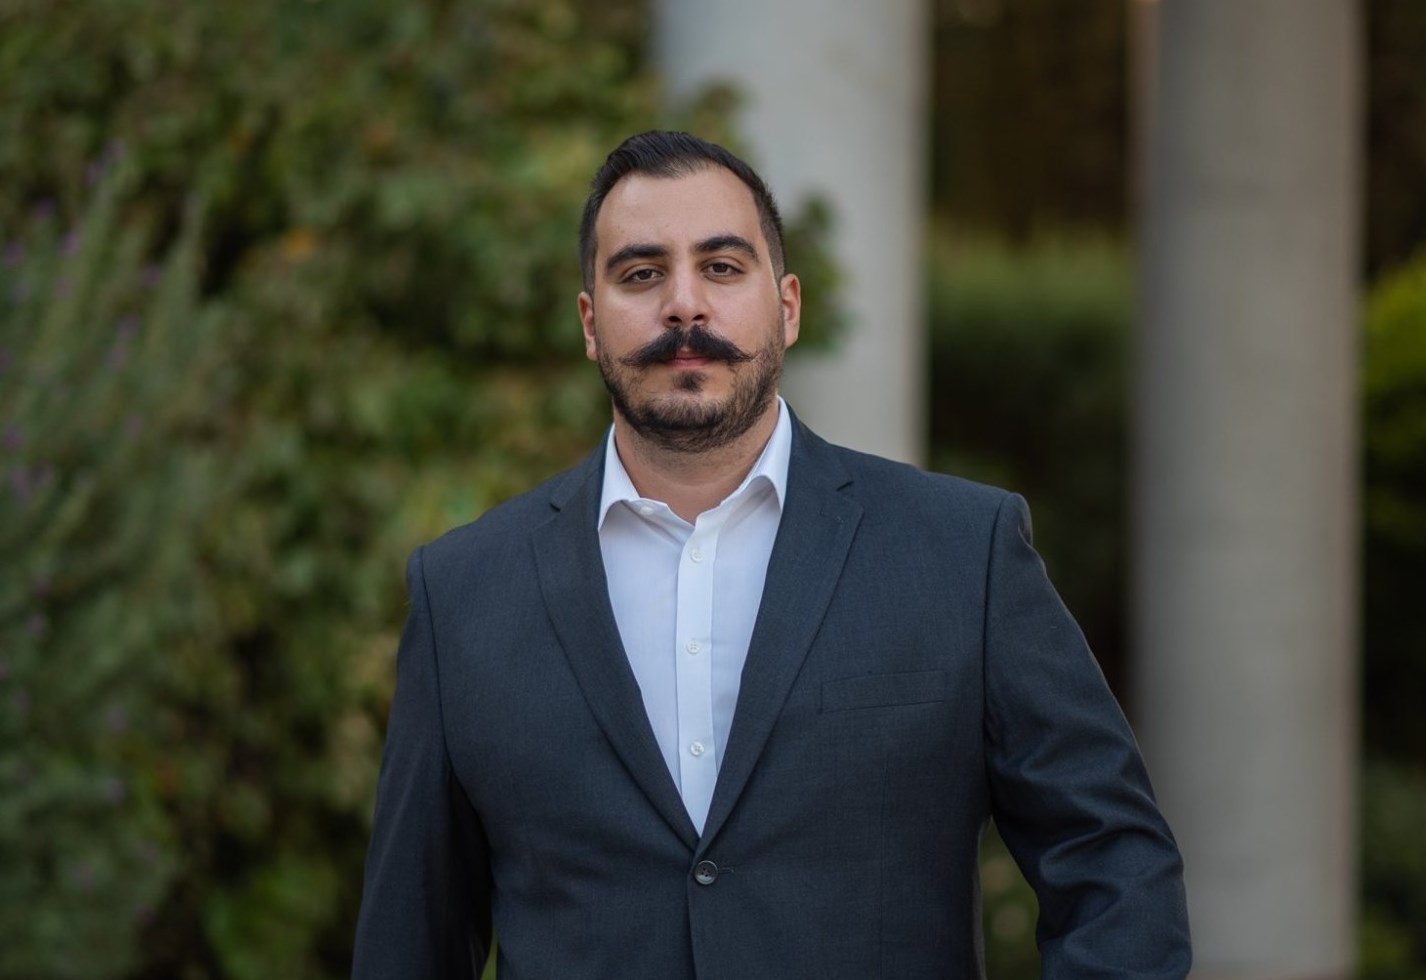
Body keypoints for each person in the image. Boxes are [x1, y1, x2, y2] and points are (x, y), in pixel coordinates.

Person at [352, 130, 1190, 979]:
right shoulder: (464, 595)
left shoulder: (961, 555)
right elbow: (407, 944)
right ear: (590, 323)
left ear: (787, 307)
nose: (684, 306)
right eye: (641, 274)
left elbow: (1115, 866)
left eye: (722, 267)